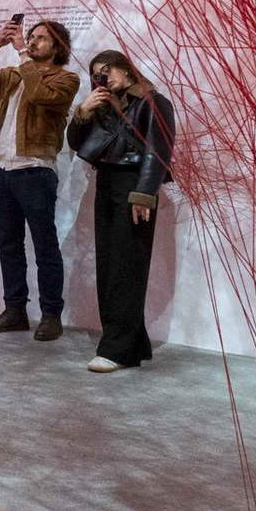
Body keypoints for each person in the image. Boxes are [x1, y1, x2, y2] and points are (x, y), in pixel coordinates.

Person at [0, 17, 79, 341]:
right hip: (1, 170)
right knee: (9, 246)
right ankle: (15, 310)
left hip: (35, 171)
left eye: (42, 38)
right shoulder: (10, 76)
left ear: (58, 47)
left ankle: (51, 315)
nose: (34, 41)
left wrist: (23, 54)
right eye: (32, 36)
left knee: (45, 247)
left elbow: (41, 95)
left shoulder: (65, 79)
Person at [68, 49, 176, 373]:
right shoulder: (102, 106)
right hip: (106, 185)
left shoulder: (153, 102)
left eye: (110, 70)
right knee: (110, 265)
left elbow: (158, 151)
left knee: (127, 268)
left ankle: (115, 349)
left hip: (134, 187)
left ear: (127, 70)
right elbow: (78, 144)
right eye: (98, 74)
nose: (105, 77)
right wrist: (82, 113)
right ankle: (133, 345)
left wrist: (143, 194)